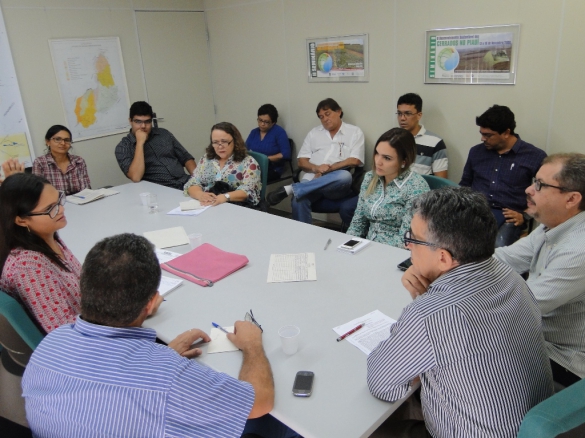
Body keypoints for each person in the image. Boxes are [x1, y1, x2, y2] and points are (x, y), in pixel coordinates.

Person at [21, 233, 294, 438]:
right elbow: (259, 402)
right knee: (283, 422)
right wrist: (252, 345)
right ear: (151, 303)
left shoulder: (50, 345)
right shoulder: (168, 378)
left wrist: (163, 355)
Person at [368, 187, 553, 438]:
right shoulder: (510, 276)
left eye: (413, 238)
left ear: (443, 258)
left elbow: (382, 383)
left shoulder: (432, 315)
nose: (408, 245)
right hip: (526, 423)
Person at [495, 153, 585, 388]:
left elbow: (523, 306)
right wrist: (450, 263)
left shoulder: (579, 250)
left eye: (540, 185)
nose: (528, 189)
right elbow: (504, 258)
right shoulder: (553, 224)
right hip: (534, 333)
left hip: (564, 358)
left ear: (571, 199)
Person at [0, 173, 81, 333]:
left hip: (90, 316)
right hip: (76, 344)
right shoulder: (28, 267)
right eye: (50, 208)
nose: (61, 209)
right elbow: (63, 331)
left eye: (59, 200)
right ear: (21, 220)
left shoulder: (48, 236)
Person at [267, 98, 365, 224]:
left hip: (335, 183)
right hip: (312, 178)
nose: (324, 119)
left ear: (339, 111)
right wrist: (316, 169)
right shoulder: (314, 133)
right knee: (298, 200)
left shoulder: (354, 132)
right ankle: (304, 239)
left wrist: (328, 170)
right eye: (321, 116)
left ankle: (293, 188)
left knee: (344, 176)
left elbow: (355, 160)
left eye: (327, 114)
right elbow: (301, 162)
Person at [460, 105, 547, 247]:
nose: (483, 139)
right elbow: (465, 184)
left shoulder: (534, 156)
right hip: (475, 211)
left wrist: (525, 215)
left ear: (506, 132)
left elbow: (545, 194)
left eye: (488, 135)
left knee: (498, 251)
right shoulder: (476, 152)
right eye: (481, 133)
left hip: (508, 216)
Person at [346, 128, 429, 248]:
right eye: (377, 153)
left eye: (387, 158)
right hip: (367, 247)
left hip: (395, 252)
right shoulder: (370, 177)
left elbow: (406, 240)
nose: (378, 162)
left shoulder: (416, 187)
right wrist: (347, 246)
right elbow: (358, 223)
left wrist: (372, 250)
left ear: (403, 162)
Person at [115, 101, 196, 189]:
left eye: (147, 122)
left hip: (186, 182)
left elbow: (186, 158)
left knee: (210, 196)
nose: (143, 126)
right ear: (130, 121)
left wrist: (197, 179)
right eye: (138, 122)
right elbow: (136, 177)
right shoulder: (123, 147)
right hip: (161, 190)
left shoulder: (164, 134)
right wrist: (139, 143)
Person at [185, 122, 262, 208]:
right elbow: (193, 182)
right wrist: (200, 195)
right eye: (215, 142)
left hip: (235, 207)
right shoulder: (206, 159)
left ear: (235, 141)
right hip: (207, 206)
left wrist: (225, 197)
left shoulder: (249, 162)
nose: (220, 147)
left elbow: (248, 191)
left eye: (224, 142)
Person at [396, 93, 448, 178]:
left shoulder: (435, 142)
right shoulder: (392, 139)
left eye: (408, 114)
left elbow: (441, 181)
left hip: (423, 190)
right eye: (399, 113)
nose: (402, 118)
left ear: (419, 115)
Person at [32, 125, 91, 195]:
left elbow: (86, 189)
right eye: (57, 139)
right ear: (48, 142)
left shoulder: (78, 161)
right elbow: (38, 193)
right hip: (54, 204)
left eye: (67, 140)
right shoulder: (40, 163)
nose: (63, 143)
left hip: (79, 202)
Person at [246, 103, 291, 181]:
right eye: (260, 120)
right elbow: (245, 149)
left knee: (248, 177)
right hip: (253, 166)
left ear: (273, 123)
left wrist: (265, 159)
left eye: (266, 122)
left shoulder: (279, 132)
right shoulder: (254, 132)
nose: (262, 124)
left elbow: (285, 154)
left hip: (272, 169)